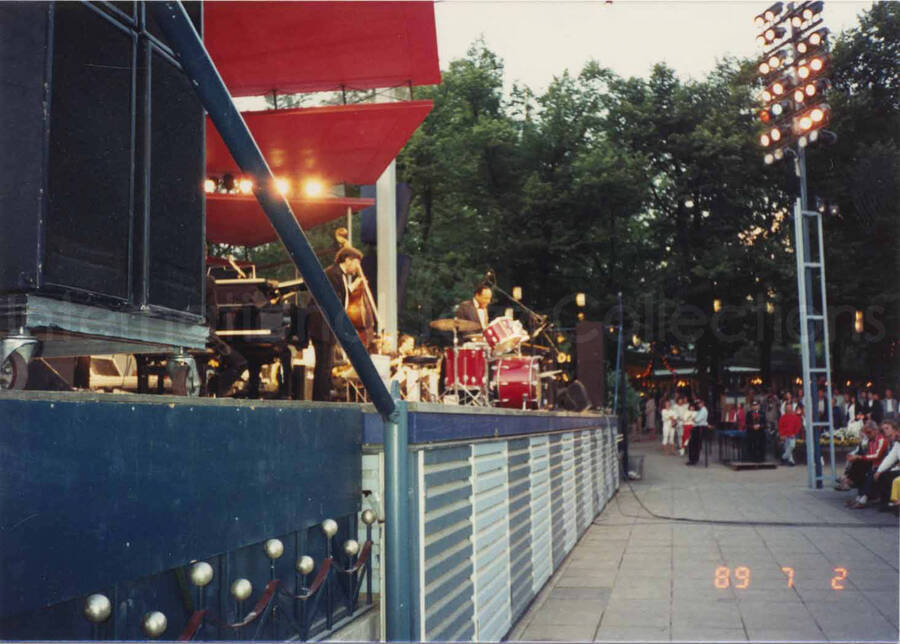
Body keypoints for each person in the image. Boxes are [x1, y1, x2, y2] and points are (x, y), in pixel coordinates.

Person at [307, 246, 366, 401]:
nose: (356, 268)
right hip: (323, 326)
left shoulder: (338, 275)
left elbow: (341, 296)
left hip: (326, 326)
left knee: (326, 364)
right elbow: (335, 301)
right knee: (324, 364)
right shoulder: (332, 274)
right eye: (355, 263)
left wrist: (354, 286)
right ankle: (321, 399)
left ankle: (322, 397)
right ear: (347, 260)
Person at [871, 421, 900, 511]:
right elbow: (890, 458)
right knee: (881, 475)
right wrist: (879, 471)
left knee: (887, 476)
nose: (885, 431)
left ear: (895, 430)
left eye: (887, 428)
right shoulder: (897, 443)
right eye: (883, 429)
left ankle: (894, 502)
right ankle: (887, 502)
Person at [687, 398, 708, 465]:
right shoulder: (701, 410)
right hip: (697, 427)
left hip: (699, 428)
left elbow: (697, 419)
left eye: (700, 403)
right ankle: (693, 459)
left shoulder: (703, 410)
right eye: (698, 403)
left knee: (694, 444)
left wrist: (692, 418)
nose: (699, 404)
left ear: (703, 403)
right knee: (694, 444)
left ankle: (693, 459)